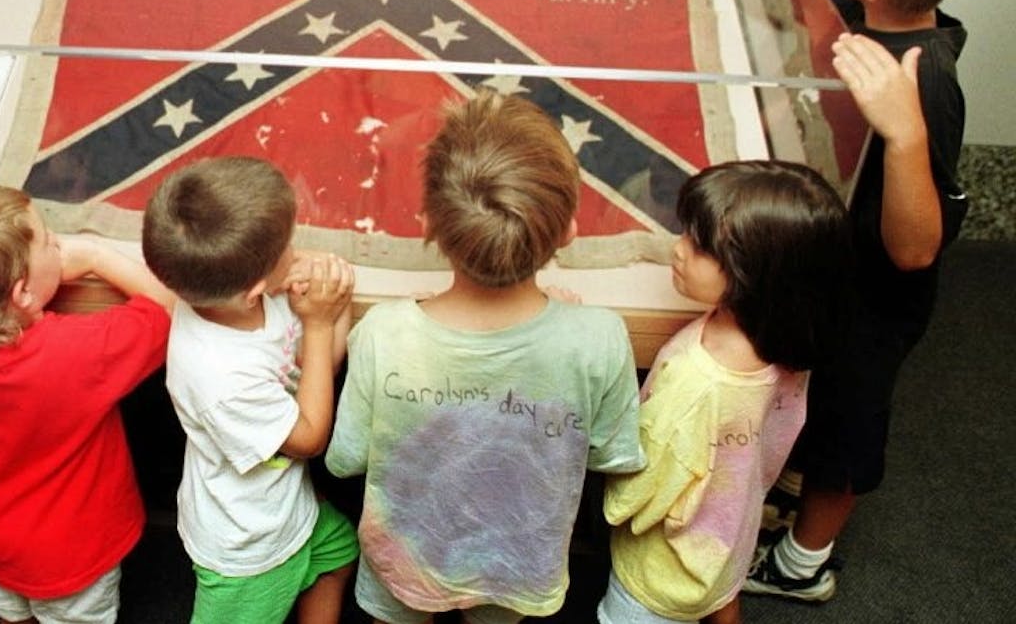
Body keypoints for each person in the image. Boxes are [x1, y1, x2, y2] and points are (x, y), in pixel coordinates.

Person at [742, 0, 993, 603]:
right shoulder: (881, 16)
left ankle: (803, 563)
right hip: (838, 275)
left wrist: (907, 136)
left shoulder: (924, 84)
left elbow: (915, 249)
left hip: (875, 307)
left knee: (847, 435)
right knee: (816, 404)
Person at [325, 90, 646, 623]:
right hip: (520, 566)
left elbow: (345, 459)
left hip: (403, 562)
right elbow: (611, 455)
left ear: (429, 224)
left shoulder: (383, 332)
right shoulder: (601, 337)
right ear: (567, 230)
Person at [0, 184, 174, 624]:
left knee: (12, 613)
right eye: (50, 241)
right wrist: (97, 256)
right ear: (22, 294)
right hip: (74, 557)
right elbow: (169, 308)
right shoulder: (78, 352)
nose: (59, 244)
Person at [598, 161, 852, 624]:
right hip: (729, 533)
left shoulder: (697, 381)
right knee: (720, 598)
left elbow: (637, 495)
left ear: (752, 273)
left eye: (698, 246)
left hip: (661, 572)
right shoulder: (786, 345)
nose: (677, 250)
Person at [141, 156, 360, 624]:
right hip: (248, 546)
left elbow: (310, 376)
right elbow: (308, 439)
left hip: (285, 509)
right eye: (289, 246)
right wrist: (319, 325)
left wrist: (333, 309)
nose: (296, 249)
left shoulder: (229, 296)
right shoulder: (220, 376)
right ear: (255, 288)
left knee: (337, 557)